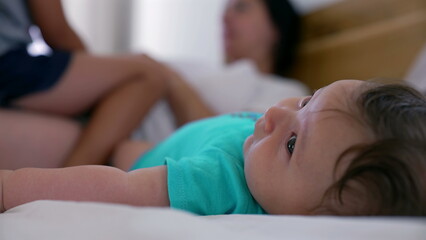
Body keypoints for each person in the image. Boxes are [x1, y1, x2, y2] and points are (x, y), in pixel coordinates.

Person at [1, 80, 425, 216]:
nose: (277, 113)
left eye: (293, 144)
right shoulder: (266, 157)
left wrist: (12, 189)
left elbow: (117, 189)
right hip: (161, 144)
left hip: (125, 159)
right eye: (306, 99)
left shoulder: (221, 184)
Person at [0, 0, 166, 168]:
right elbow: (57, 33)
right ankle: (67, 185)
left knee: (149, 70)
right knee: (147, 74)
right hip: (7, 61)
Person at [132, 0, 309, 144]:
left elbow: (231, 142)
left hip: (135, 132)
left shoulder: (286, 93)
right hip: (128, 94)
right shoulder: (209, 71)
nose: (224, 17)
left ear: (275, 28)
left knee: (145, 66)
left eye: (241, 7)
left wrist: (168, 77)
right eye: (226, 10)